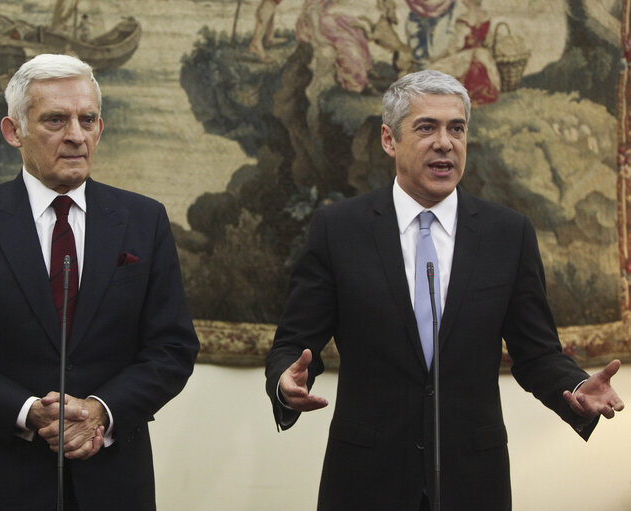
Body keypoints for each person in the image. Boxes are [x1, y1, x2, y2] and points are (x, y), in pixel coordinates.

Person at [264, 69, 624, 510]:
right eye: (427, 127)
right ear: (389, 140)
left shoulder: (507, 234)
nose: (445, 142)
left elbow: (537, 354)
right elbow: (295, 343)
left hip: (473, 479)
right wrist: (285, 380)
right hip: (364, 480)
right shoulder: (339, 230)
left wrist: (577, 386)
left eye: (457, 128)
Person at [0, 54, 200, 510]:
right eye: (55, 120)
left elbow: (172, 348)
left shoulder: (144, 220)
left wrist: (101, 410)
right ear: (13, 131)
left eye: (87, 119)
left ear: (101, 128)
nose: (76, 136)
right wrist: (26, 412)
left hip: (111, 480)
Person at [430, 0, 500, 105]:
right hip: (483, 55)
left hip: (467, 56)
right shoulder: (486, 16)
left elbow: (456, 46)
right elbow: (489, 42)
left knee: (433, 70)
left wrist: (438, 57)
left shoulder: (464, 19)